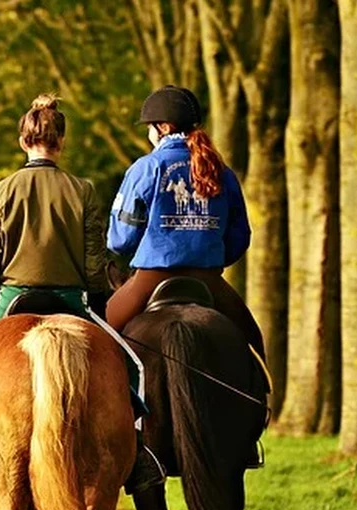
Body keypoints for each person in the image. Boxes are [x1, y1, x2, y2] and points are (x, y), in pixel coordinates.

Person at [0, 93, 165, 501]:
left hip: (12, 299)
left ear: (23, 141)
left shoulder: (1, 190)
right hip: (72, 300)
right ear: (61, 142)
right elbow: (93, 258)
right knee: (133, 367)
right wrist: (97, 298)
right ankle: (137, 454)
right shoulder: (81, 189)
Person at [106, 86, 266, 359]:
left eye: (150, 127)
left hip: (152, 278)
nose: (148, 134)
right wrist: (209, 254)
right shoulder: (222, 172)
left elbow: (121, 239)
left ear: (164, 127)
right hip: (208, 279)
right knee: (254, 346)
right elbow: (240, 236)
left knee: (100, 338)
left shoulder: (147, 167)